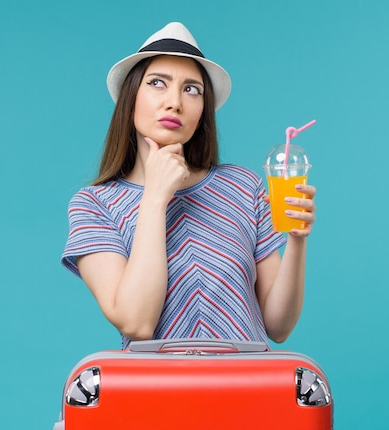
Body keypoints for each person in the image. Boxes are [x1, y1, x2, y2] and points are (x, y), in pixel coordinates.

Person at [61, 22, 316, 349]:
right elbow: (136, 321)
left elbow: (278, 327)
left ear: (202, 112)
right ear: (131, 98)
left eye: (192, 89)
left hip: (248, 390)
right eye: (157, 84)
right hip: (154, 394)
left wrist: (296, 240)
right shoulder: (94, 205)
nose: (175, 102)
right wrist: (154, 197)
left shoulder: (244, 187)